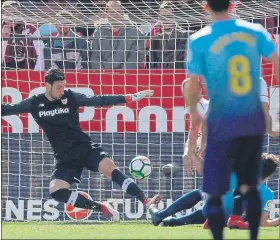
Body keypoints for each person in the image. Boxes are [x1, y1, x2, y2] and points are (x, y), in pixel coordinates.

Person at [1, 68, 160, 220]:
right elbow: (8, 109)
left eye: (64, 86)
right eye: (58, 87)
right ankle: (100, 207)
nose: (62, 90)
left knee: (111, 169)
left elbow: (99, 100)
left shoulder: (71, 97)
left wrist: (128, 98)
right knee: (56, 191)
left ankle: (146, 200)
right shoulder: (35, 103)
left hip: (85, 148)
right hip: (65, 157)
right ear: (47, 86)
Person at [185, 0, 279, 239]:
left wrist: (194, 116)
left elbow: (192, 84)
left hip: (221, 122)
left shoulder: (199, 39)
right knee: (250, 185)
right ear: (233, 6)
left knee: (215, 190)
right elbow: (277, 61)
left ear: (206, 7)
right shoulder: (255, 31)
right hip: (251, 121)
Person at [227, 153, 280, 229]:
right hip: (236, 222)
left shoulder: (233, 175)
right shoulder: (268, 193)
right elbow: (263, 222)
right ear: (271, 175)